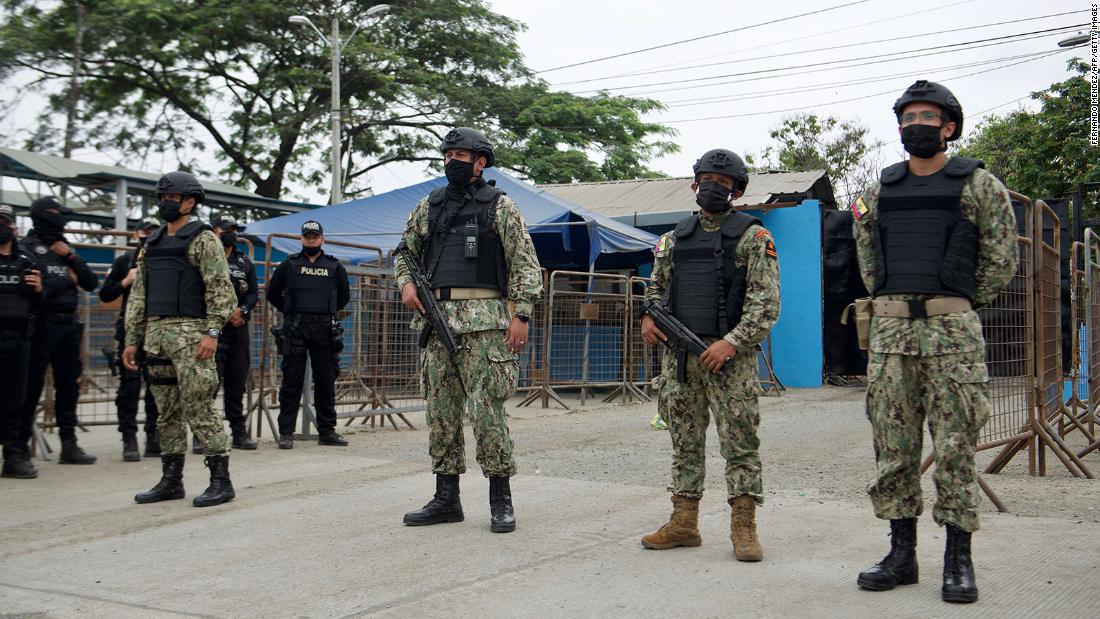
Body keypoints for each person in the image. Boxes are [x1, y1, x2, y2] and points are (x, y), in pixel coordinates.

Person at [851, 80, 1017, 603]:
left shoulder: (980, 185)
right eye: (907, 117)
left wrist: (956, 302)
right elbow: (868, 259)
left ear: (948, 126)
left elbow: (1000, 259)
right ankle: (901, 556)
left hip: (953, 337)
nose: (915, 124)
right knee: (893, 451)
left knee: (955, 450)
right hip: (891, 337)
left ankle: (958, 561)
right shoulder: (877, 193)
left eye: (927, 116)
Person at [394, 127, 542, 533]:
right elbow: (404, 252)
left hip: (486, 323)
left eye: (460, 154)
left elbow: (525, 264)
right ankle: (446, 498)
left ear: (480, 162)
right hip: (435, 319)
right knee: (440, 412)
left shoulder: (501, 206)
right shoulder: (429, 206)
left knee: (486, 409)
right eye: (447, 154)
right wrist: (406, 284)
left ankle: (500, 498)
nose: (451, 161)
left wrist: (522, 314)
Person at [638, 149, 780, 561]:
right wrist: (648, 318)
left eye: (723, 181)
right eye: (707, 178)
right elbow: (655, 290)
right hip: (680, 359)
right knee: (684, 442)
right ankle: (684, 522)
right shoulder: (672, 239)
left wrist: (731, 342)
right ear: (694, 183)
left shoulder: (754, 237)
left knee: (739, 444)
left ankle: (744, 527)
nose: (714, 186)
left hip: (728, 361)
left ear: (737, 189)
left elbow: (765, 305)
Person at [122, 171, 239, 507]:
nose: (165, 203)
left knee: (199, 407)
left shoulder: (203, 238)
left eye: (171, 198)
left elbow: (221, 290)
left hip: (192, 336)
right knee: (166, 412)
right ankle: (171, 480)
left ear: (190, 201)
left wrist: (212, 333)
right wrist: (132, 338)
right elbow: (140, 294)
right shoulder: (153, 242)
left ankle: (221, 480)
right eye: (162, 198)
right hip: (157, 336)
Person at [18, 196, 99, 465]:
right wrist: (65, 278)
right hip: (41, 324)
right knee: (31, 386)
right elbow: (32, 289)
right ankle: (18, 449)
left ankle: (69, 445)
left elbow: (89, 282)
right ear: (43, 215)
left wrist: (72, 257)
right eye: (56, 213)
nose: (61, 218)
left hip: (69, 324)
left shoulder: (66, 248)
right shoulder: (26, 248)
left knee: (69, 386)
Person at [265, 220, 350, 449]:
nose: (311, 239)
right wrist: (291, 310)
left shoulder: (334, 266)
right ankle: (286, 433)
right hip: (296, 327)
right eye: (307, 236)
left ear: (322, 239)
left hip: (324, 327)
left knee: (325, 380)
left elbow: (343, 297)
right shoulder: (289, 265)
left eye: (315, 236)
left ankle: (327, 431)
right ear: (301, 239)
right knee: (291, 381)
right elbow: (272, 294)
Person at [191, 216, 258, 452]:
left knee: (236, 382)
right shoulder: (204, 257)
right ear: (214, 231)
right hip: (211, 330)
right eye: (225, 229)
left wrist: (242, 310)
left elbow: (253, 295)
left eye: (233, 229)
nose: (230, 233)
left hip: (238, 329)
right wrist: (221, 315)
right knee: (208, 382)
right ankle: (201, 434)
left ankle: (239, 432)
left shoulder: (244, 261)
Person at [100, 217, 162, 461]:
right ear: (137, 234)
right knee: (129, 387)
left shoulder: (162, 261)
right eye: (146, 231)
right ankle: (129, 438)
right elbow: (105, 295)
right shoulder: (124, 261)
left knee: (157, 387)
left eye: (154, 231)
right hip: (130, 332)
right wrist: (125, 281)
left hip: (157, 331)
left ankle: (153, 436)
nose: (149, 235)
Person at [0, 205, 47, 479]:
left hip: (20, 339)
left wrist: (40, 289)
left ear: (14, 227)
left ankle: (15, 456)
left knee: (16, 400)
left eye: (5, 221)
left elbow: (40, 301)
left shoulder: (26, 261)